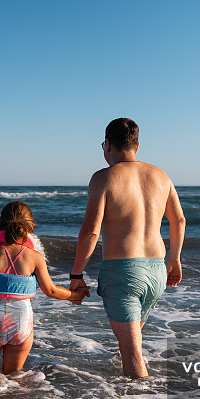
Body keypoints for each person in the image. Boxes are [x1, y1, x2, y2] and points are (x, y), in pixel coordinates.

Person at [69, 118, 185, 379]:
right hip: (156, 271)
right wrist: (175, 259)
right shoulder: (160, 176)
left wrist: (76, 275)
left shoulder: (104, 178)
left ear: (107, 144)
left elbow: (90, 231)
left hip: (123, 272)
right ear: (137, 145)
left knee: (132, 351)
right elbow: (178, 219)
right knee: (130, 343)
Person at [0, 201, 90, 375]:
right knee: (15, 374)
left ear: (1, 222)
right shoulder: (35, 257)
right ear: (31, 226)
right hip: (21, 323)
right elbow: (51, 290)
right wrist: (75, 294)